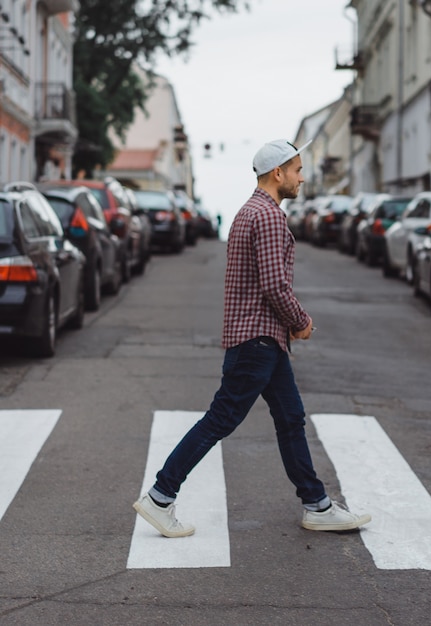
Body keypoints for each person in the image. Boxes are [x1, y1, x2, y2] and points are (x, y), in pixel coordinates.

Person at [133, 139, 371, 537]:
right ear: (278, 173)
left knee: (290, 418)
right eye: (297, 170)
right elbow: (275, 286)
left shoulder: (249, 212)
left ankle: (317, 505)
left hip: (263, 341)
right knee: (220, 420)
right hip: (257, 340)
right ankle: (160, 496)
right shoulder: (269, 216)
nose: (301, 177)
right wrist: (301, 321)